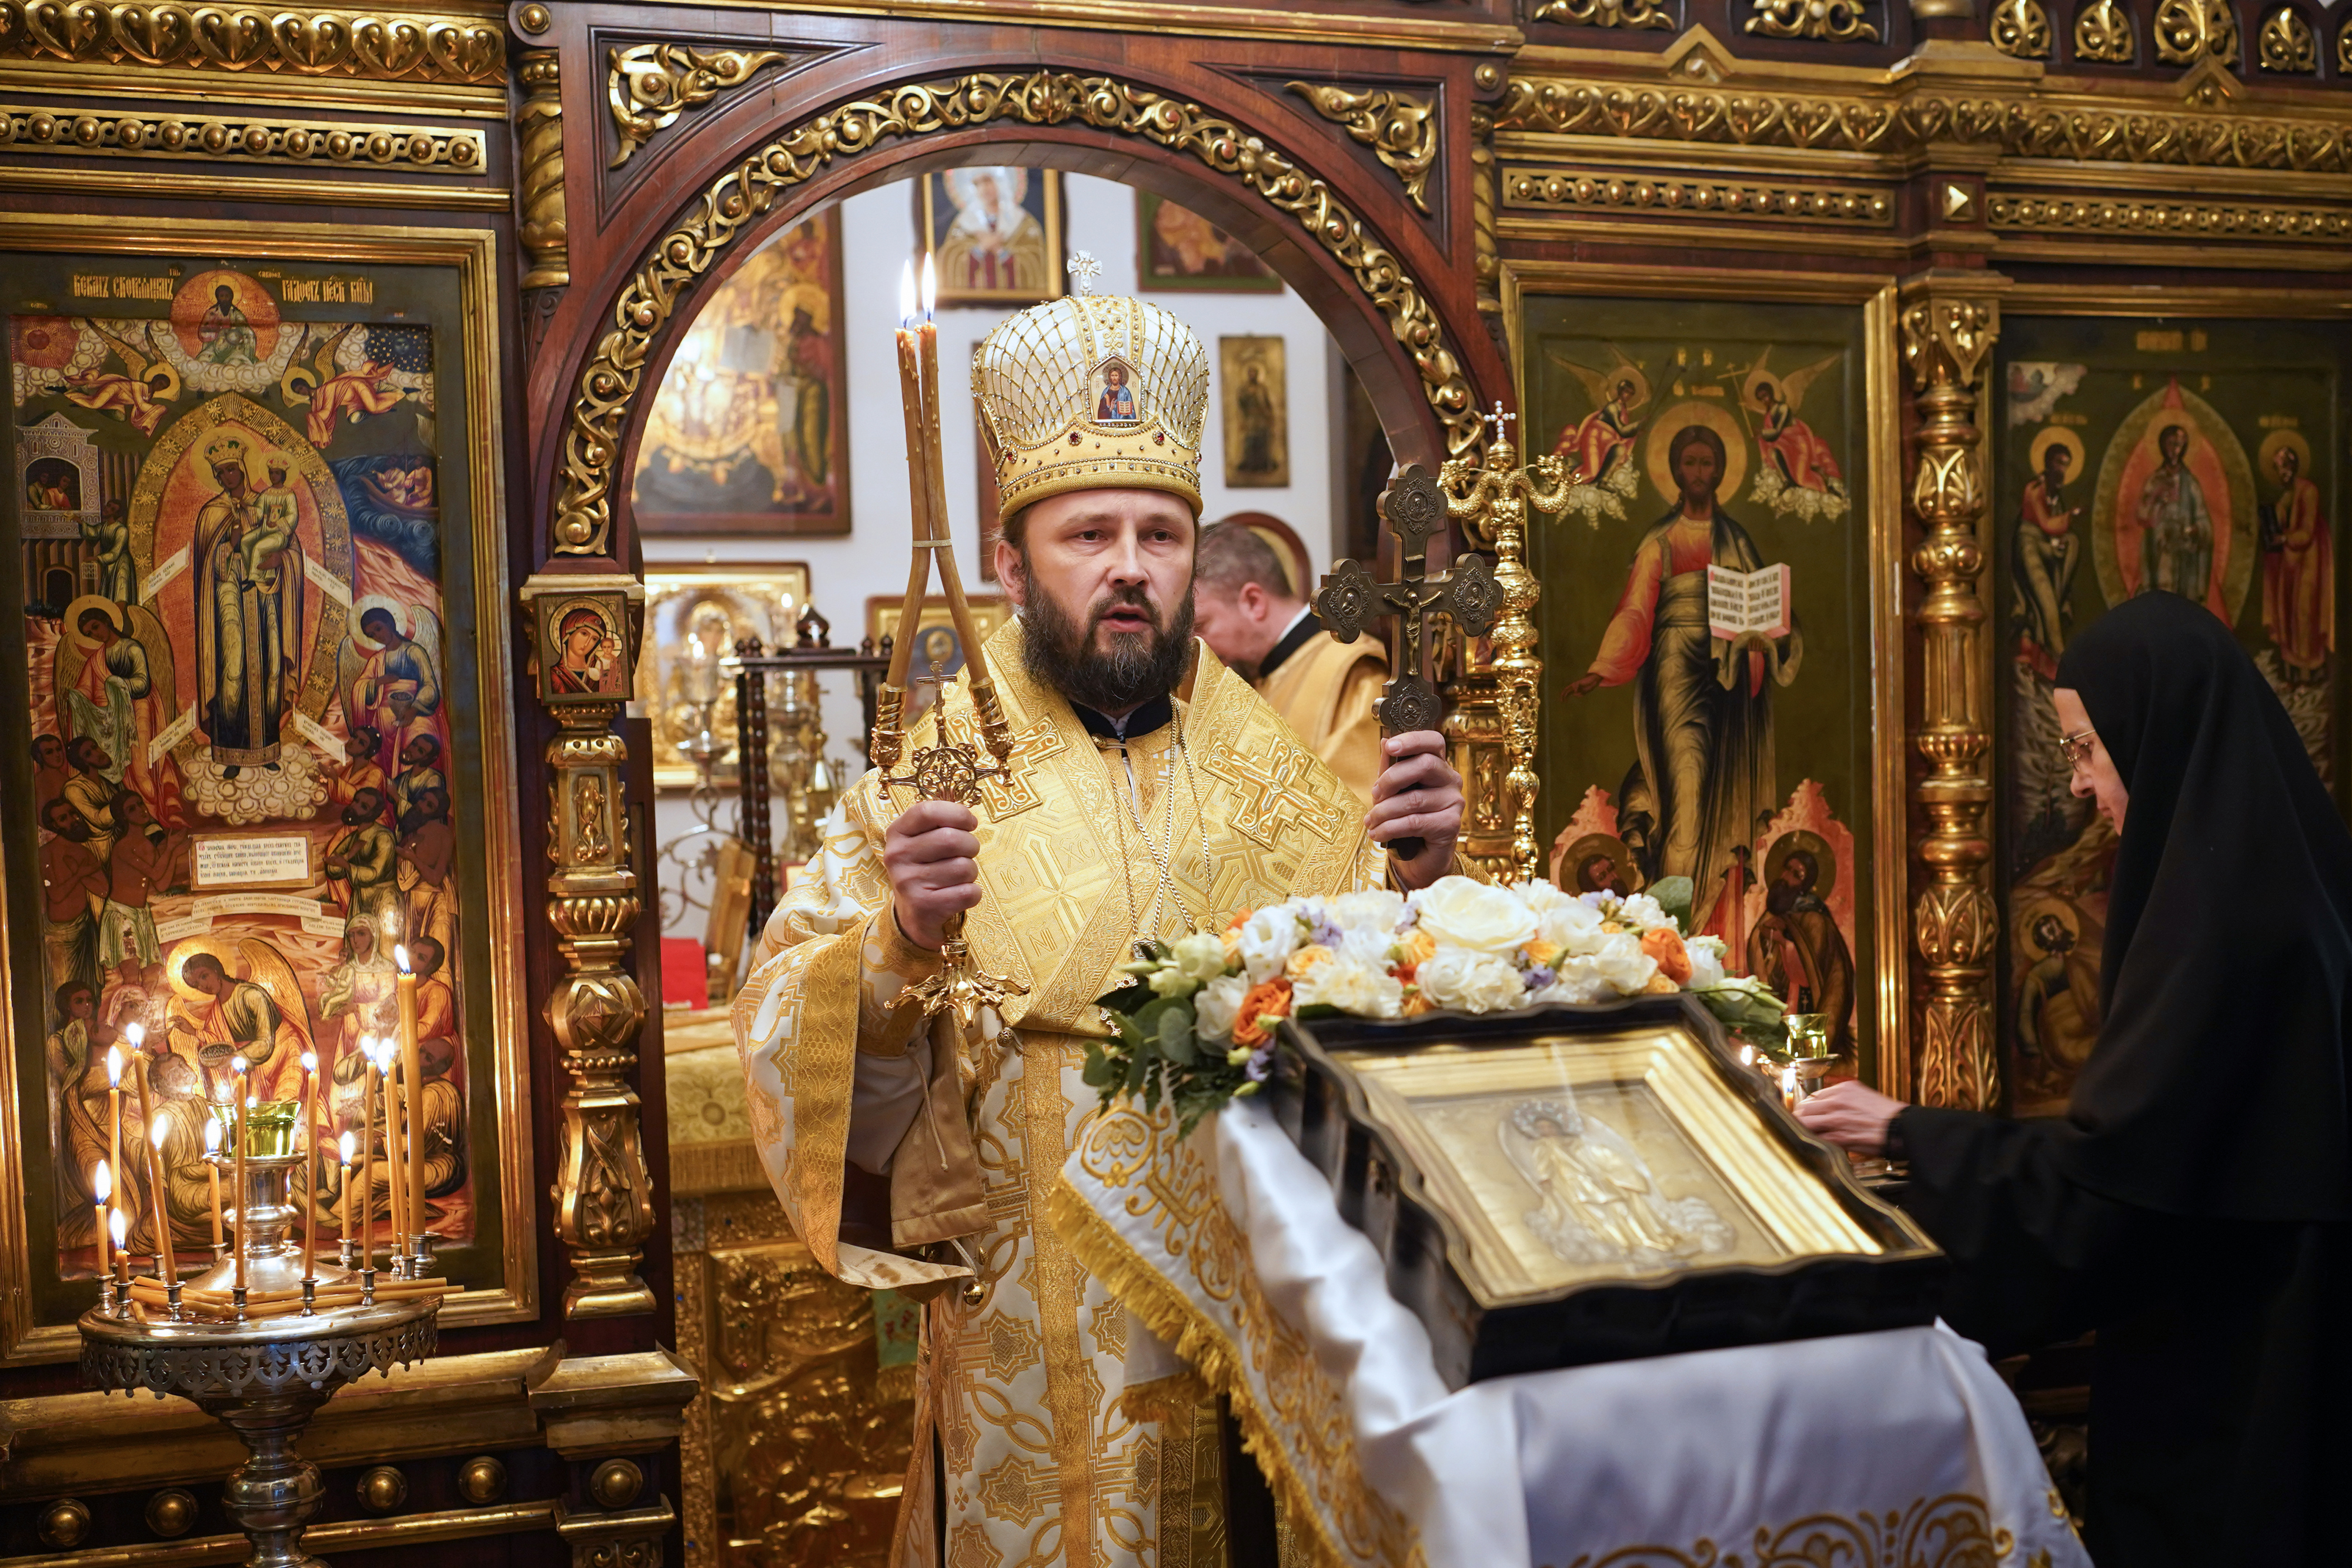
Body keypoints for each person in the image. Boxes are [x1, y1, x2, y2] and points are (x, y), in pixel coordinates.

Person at [733, 278, 1465, 1568]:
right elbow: (786, 1021)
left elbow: (1375, 1041)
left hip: (1257, 1320)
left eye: (1160, 533)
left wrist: (1414, 889)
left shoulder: (1284, 778)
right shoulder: (929, 776)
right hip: (1035, 1326)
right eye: (1088, 536)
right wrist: (898, 945)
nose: (1130, 566)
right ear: (1012, 562)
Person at [1796, 592, 2352, 1566]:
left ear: (2157, 728)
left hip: (2239, 1383)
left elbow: (2109, 1193)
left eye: (2088, 748)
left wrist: (1907, 1135)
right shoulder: (2283, 877)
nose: (2085, 786)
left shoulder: (2217, 933)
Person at [1562, 424, 1798, 922]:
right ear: (1675, 469)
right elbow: (1635, 611)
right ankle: (1675, 928)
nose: (1698, 473)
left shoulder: (1736, 539)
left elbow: (1770, 610)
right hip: (1676, 667)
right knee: (1685, 796)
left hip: (1731, 677)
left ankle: (1707, 931)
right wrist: (1600, 671)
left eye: (1706, 463)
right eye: (1689, 462)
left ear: (1720, 470)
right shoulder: (1661, 540)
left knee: (1721, 793)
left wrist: (1767, 636)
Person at [1190, 519, 1386, 804]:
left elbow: (1358, 814)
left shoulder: (1353, 671)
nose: (1196, 647)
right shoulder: (1253, 675)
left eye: (1201, 626)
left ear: (1253, 602)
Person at [2260, 442, 2331, 686]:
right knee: (2288, 615)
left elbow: (2307, 532)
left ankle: (2308, 675)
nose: (2283, 473)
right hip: (2289, 565)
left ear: (2295, 466)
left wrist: (2285, 538)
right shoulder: (2286, 495)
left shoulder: (2308, 491)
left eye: (2287, 467)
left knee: (2305, 615)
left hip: (2309, 562)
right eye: (2279, 468)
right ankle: (2292, 673)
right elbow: (2280, 523)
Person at [2011, 438, 2080, 678]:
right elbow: (2046, 524)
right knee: (2043, 593)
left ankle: (2054, 635)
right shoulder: (2034, 489)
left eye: (2066, 465)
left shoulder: (2056, 495)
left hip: (2043, 547)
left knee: (2073, 543)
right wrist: (2070, 517)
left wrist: (2058, 545)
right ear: (2048, 463)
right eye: (2059, 463)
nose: (2062, 470)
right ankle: (2060, 652)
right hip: (2028, 546)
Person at [2133, 422, 2212, 604]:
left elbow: (2203, 520)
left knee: (2183, 601)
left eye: (2180, 445)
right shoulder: (2154, 481)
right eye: (2171, 444)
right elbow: (2143, 516)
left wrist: (2195, 530)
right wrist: (2157, 498)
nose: (2175, 450)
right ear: (2162, 446)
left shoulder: (2191, 483)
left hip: (2184, 552)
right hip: (2161, 551)